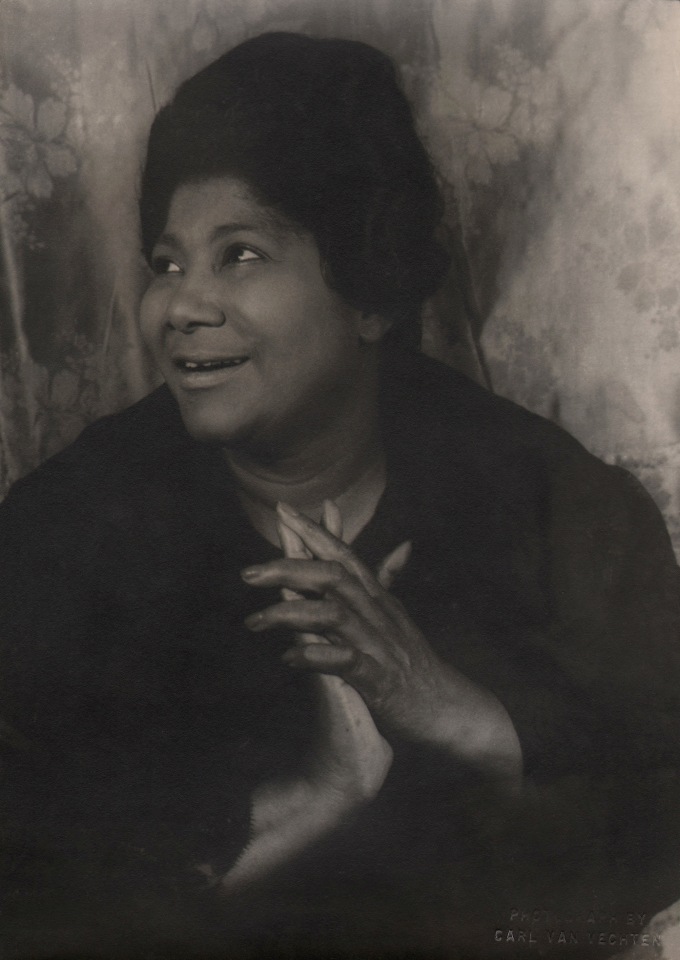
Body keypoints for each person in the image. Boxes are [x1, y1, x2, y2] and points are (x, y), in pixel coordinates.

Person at [1, 31, 679, 960]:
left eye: (239, 254)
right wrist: (319, 796)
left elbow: (649, 841)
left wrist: (464, 713)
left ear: (371, 292)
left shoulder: (558, 507)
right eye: (167, 262)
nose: (182, 306)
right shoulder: (59, 539)